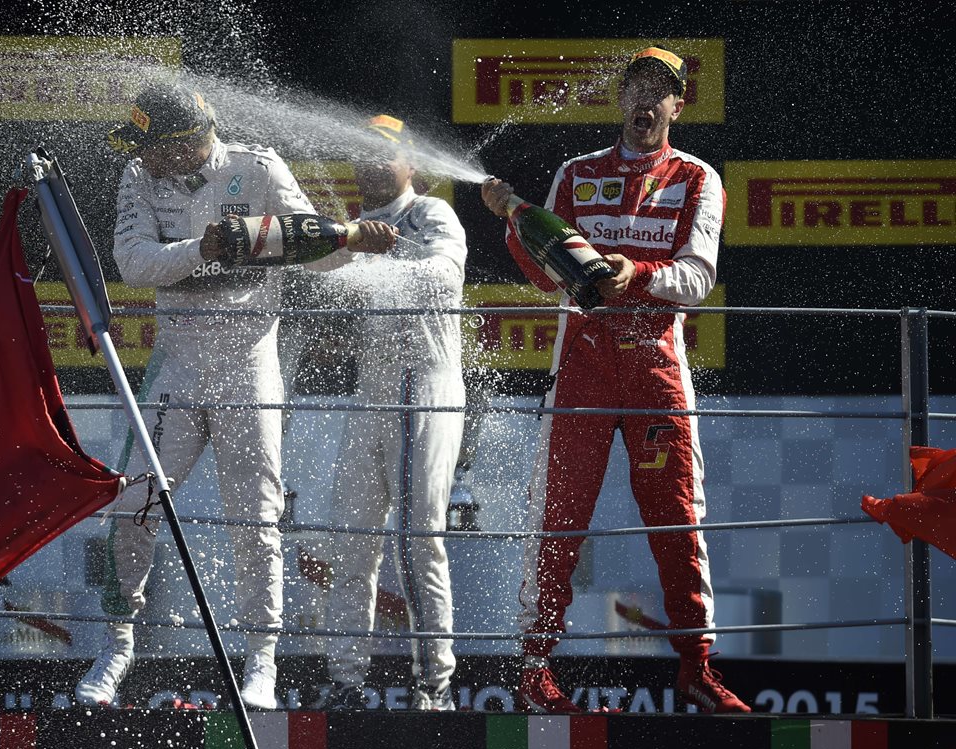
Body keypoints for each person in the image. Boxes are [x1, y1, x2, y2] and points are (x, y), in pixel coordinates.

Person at [77, 81, 395, 710]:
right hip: (178, 362)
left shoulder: (258, 166)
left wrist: (343, 237)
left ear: (189, 139)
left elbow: (320, 258)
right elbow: (133, 263)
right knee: (132, 498)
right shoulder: (137, 173)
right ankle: (116, 646)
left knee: (256, 519)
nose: (148, 159)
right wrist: (204, 249)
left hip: (250, 366)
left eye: (157, 149)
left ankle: (262, 663)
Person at [481, 47, 749, 714]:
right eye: (638, 85)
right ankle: (534, 671)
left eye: (662, 90)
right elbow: (548, 272)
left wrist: (635, 274)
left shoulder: (698, 177)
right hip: (584, 367)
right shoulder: (577, 174)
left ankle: (696, 666)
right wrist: (514, 225)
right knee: (559, 520)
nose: (648, 100)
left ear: (679, 106)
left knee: (678, 519)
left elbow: (698, 277)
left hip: (657, 367)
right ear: (620, 97)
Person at [316, 114, 467, 711]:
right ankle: (345, 681)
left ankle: (434, 687)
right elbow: (318, 278)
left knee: (415, 539)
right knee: (351, 540)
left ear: (411, 164)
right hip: (371, 391)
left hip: (423, 386)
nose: (372, 166)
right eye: (361, 155)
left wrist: (377, 257)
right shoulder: (352, 227)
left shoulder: (431, 214)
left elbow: (444, 278)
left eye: (384, 155)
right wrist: (347, 245)